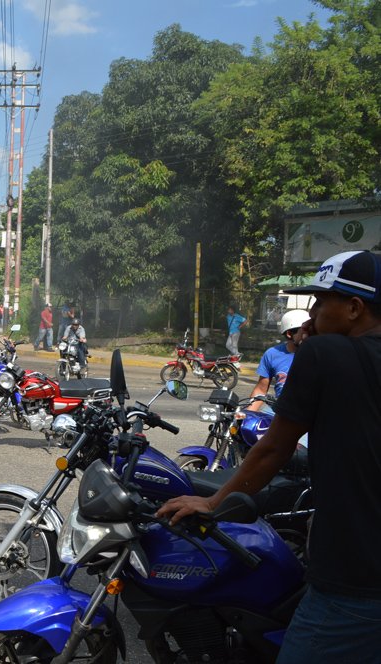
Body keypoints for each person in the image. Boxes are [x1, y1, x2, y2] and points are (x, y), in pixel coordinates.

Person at [158, 250, 381, 664]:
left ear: (354, 308)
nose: (311, 313)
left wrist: (212, 501)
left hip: (354, 578)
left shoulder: (323, 355)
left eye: (320, 302)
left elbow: (274, 449)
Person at [246, 309, 310, 413]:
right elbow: (261, 390)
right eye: (304, 332)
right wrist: (247, 415)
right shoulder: (272, 354)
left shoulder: (318, 354)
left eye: (311, 331)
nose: (308, 336)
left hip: (307, 413)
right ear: (289, 334)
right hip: (278, 410)